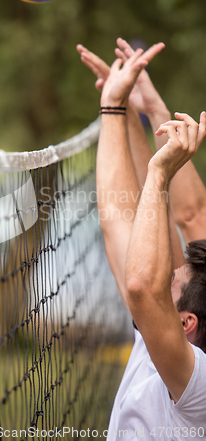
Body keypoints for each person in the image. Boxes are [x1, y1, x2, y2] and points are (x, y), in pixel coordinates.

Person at [78, 43, 206, 439]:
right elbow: (122, 222)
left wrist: (158, 172)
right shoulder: (168, 344)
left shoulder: (198, 386)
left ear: (186, 323)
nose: (163, 275)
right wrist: (121, 109)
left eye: (171, 283)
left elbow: (141, 283)